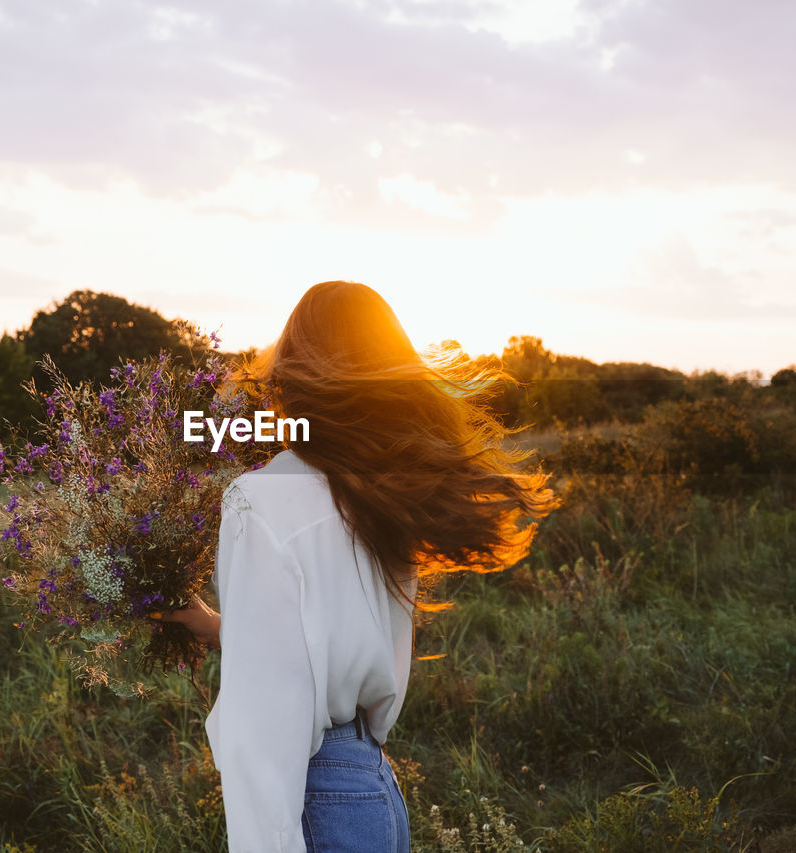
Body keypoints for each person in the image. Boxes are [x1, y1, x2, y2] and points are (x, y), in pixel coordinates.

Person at [159, 281, 557, 852]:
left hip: (314, 801)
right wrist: (223, 629)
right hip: (372, 793)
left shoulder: (262, 498)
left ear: (292, 370)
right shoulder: (383, 492)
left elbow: (265, 734)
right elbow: (331, 642)